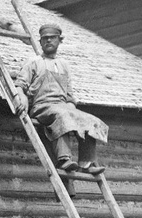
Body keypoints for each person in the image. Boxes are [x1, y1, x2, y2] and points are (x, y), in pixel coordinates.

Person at [14, 24, 109, 174]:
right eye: (45, 39)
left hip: (62, 106)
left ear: (59, 41)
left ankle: (87, 162)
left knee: (90, 120)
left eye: (52, 38)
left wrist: (75, 115)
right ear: (40, 42)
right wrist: (22, 98)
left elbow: (70, 96)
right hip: (41, 106)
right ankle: (64, 159)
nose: (48, 41)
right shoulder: (34, 62)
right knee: (63, 115)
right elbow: (19, 85)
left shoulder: (64, 65)